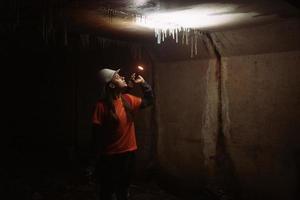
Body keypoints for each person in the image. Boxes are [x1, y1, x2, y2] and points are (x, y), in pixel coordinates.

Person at [92, 68, 154, 200]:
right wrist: (95, 158)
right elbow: (96, 135)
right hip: (110, 157)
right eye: (118, 77)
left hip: (128, 154)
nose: (123, 77)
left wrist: (143, 83)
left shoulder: (127, 99)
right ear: (112, 85)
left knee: (123, 189)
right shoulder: (101, 106)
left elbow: (149, 100)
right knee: (108, 191)